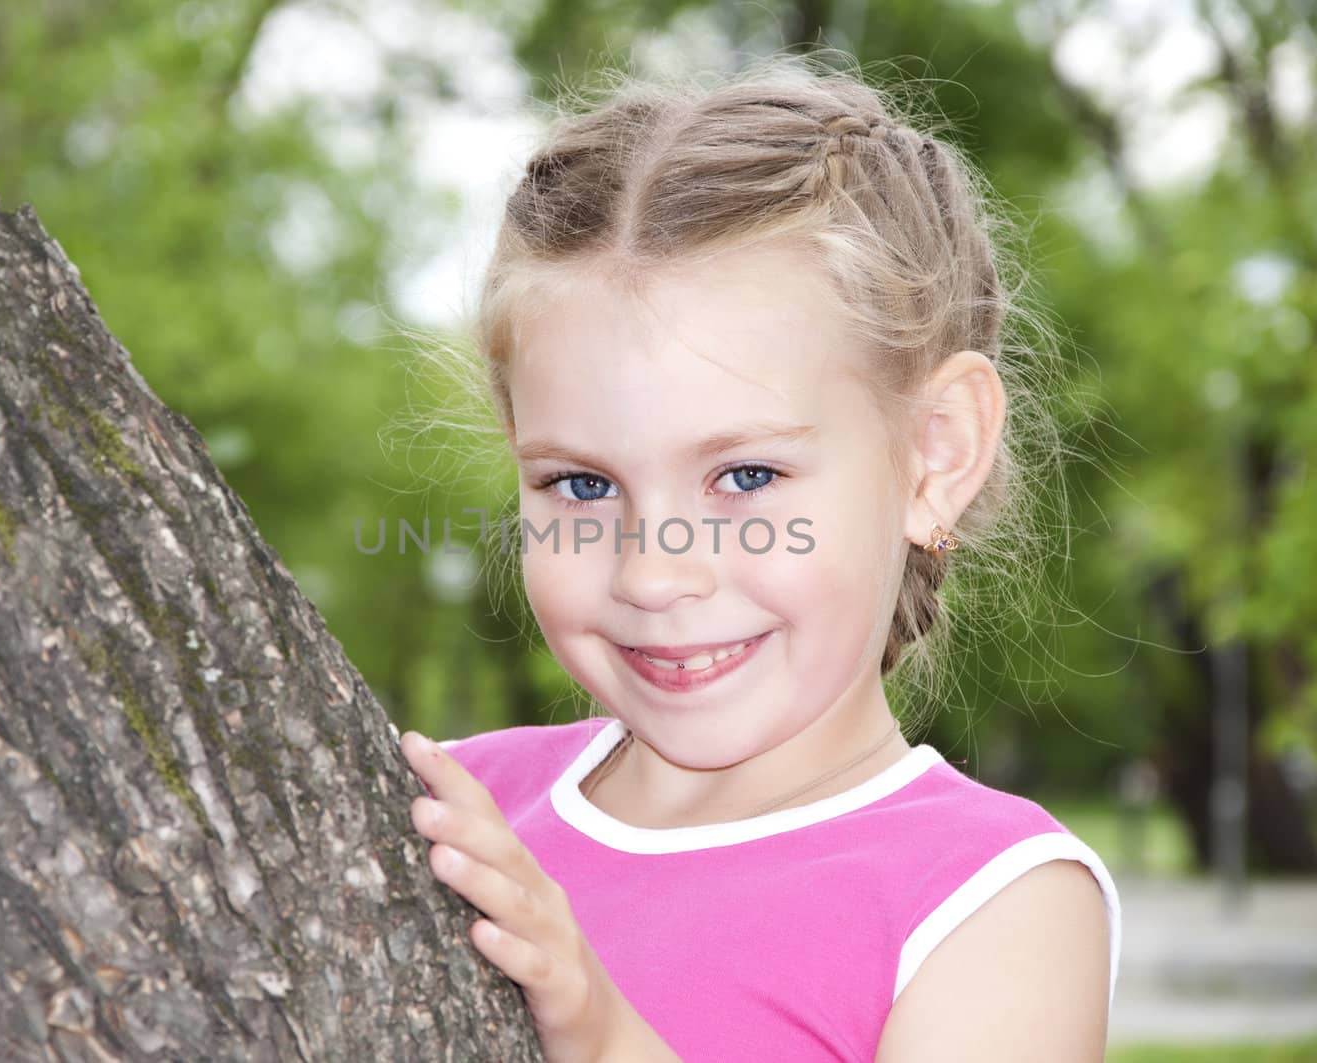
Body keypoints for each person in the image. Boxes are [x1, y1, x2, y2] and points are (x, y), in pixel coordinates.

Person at [397, 53, 1121, 1062]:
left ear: (934, 455)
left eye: (743, 478)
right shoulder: (456, 812)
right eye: (583, 486)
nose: (653, 574)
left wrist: (603, 1039)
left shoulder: (990, 901)